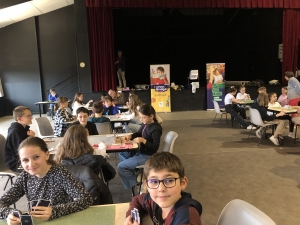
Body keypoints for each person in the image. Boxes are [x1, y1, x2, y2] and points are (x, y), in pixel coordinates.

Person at [1, 137, 93, 223]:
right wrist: (9, 214)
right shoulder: (24, 176)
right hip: (39, 222)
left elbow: (86, 199)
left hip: (63, 220)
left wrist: (55, 211)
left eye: (36, 157)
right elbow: (1, 203)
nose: (31, 164)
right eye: (25, 160)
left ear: (46, 155)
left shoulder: (60, 173)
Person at [124, 152, 203, 225]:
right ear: (147, 185)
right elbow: (137, 200)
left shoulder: (186, 218)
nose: (161, 189)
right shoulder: (154, 200)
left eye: (169, 180)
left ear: (182, 183)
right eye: (154, 181)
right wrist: (131, 217)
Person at [54, 125, 115, 204]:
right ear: (84, 139)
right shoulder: (93, 156)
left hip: (67, 197)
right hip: (90, 192)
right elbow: (111, 172)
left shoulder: (59, 157)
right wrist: (102, 145)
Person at [118, 104, 162, 190]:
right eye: (140, 117)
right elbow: (138, 133)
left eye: (143, 117)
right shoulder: (145, 123)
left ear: (151, 116)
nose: (141, 120)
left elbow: (154, 148)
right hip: (140, 152)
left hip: (148, 156)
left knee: (121, 167)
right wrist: (130, 136)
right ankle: (133, 170)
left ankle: (136, 183)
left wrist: (143, 141)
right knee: (122, 152)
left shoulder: (156, 129)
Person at [4, 106, 35, 172]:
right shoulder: (15, 132)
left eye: (31, 115)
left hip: (23, 158)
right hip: (16, 163)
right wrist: (31, 138)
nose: (31, 117)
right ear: (19, 119)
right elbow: (21, 151)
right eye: (28, 116)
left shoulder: (24, 128)